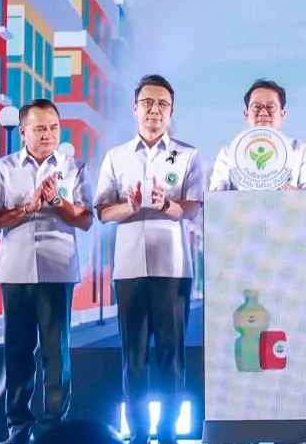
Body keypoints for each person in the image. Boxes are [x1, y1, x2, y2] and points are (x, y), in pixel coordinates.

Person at [95, 74, 204, 444]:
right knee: (134, 357)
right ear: (135, 108)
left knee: (171, 357)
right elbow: (102, 211)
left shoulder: (188, 155)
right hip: (128, 269)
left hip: (173, 268)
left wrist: (164, 203)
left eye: (162, 104)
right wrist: (129, 205)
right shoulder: (116, 156)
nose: (154, 110)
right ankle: (139, 434)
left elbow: (193, 208)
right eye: (148, 103)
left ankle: (168, 433)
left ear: (171, 111)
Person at [0, 98, 94, 444]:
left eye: (54, 128)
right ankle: (18, 427)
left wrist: (58, 203)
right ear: (23, 132)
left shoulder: (75, 167)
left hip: (57, 271)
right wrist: (28, 208)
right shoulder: (3, 168)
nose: (48, 135)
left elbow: (86, 219)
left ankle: (52, 427)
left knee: (55, 353)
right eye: (40, 129)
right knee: (18, 352)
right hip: (15, 271)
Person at [208, 78, 306, 194]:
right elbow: (215, 200)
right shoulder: (228, 153)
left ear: (282, 113)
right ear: (246, 114)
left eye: (271, 107)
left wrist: (277, 182)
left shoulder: (302, 150)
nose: (263, 113)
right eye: (256, 107)